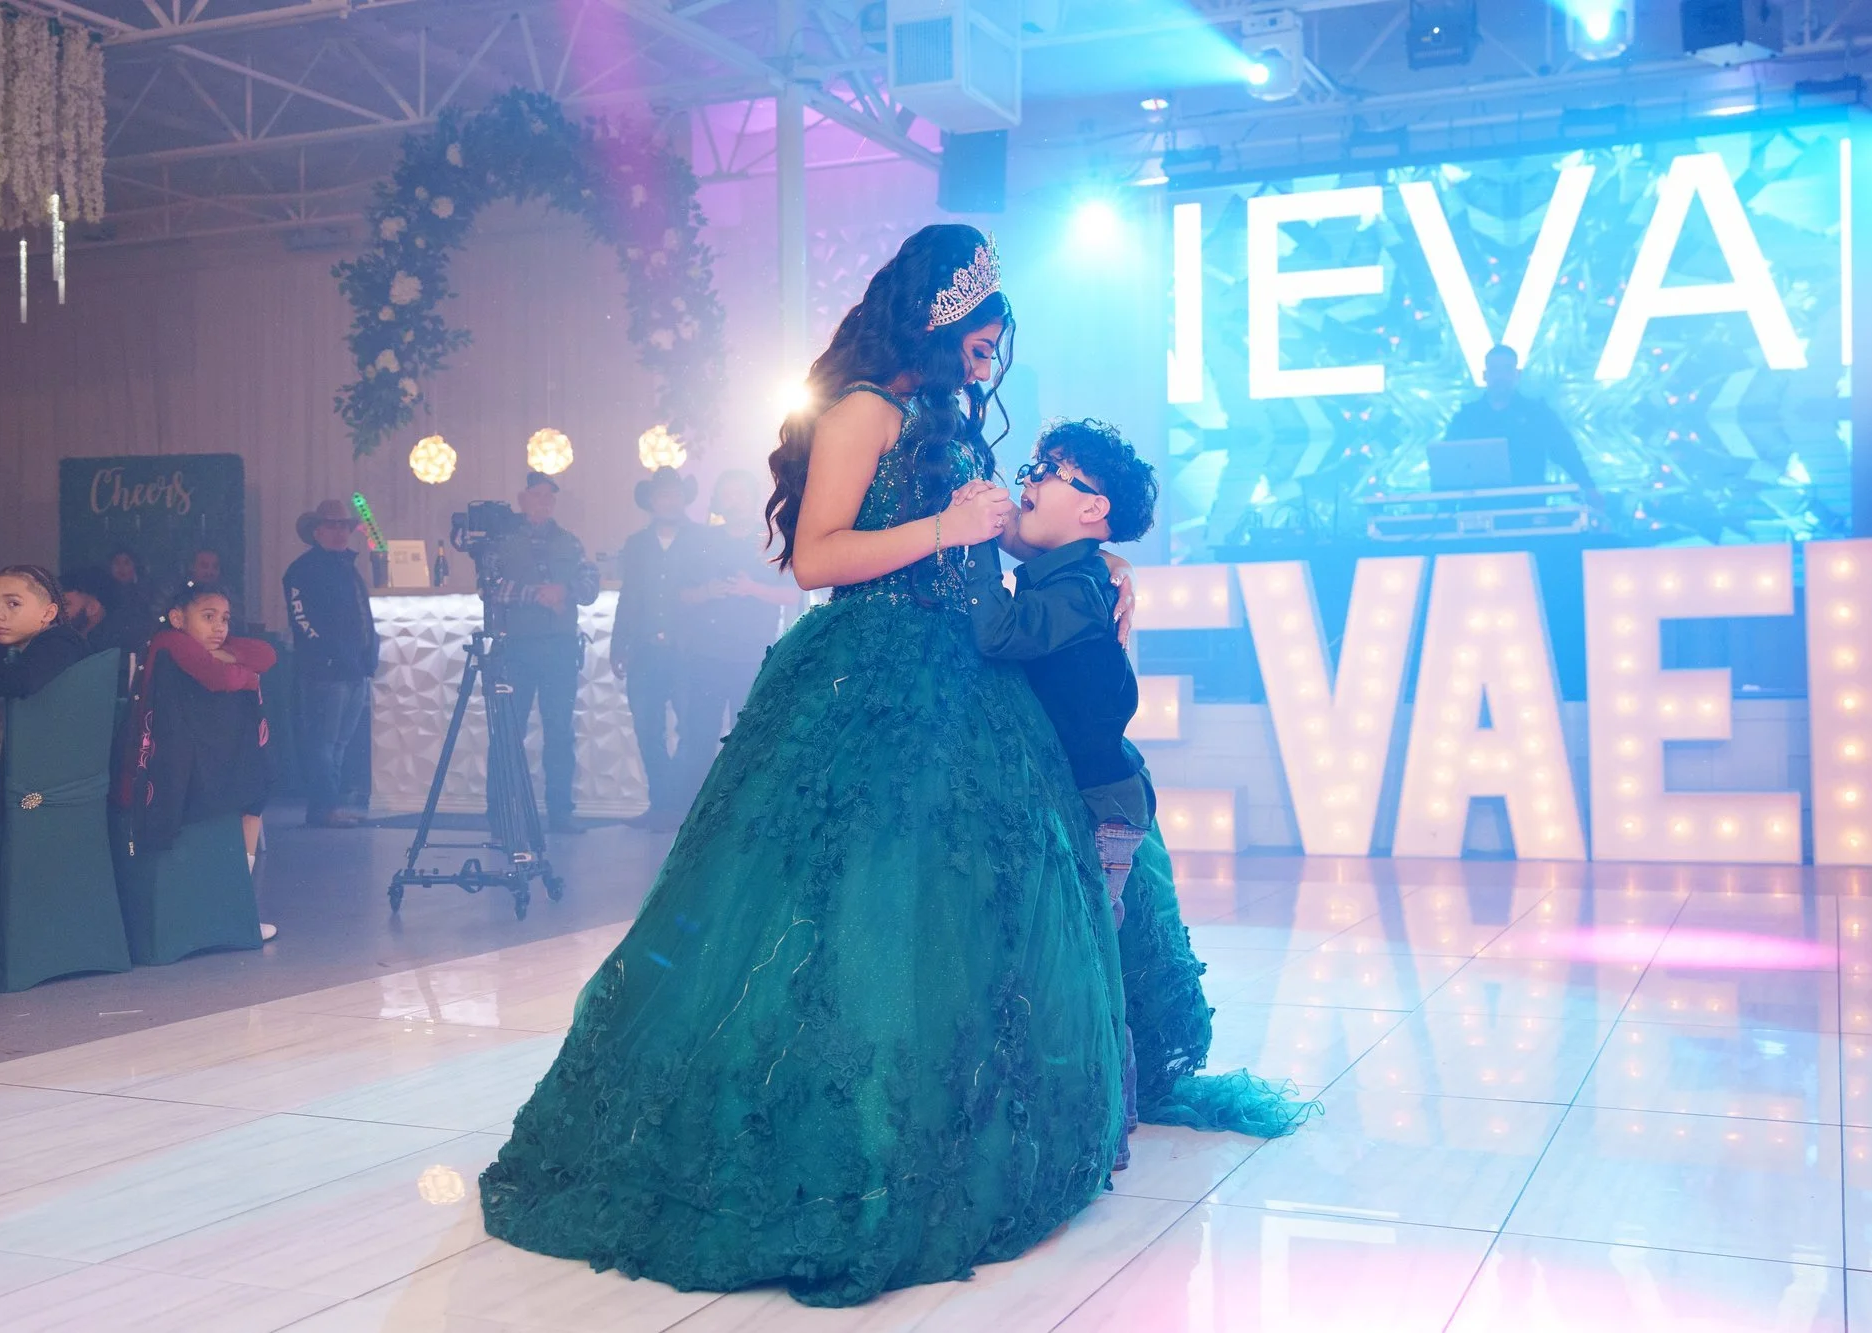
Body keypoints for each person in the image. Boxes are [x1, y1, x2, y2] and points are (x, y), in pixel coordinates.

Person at [479, 225, 1309, 1307]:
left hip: (974, 676)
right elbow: (815, 556)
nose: (991, 350)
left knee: (977, 905)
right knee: (853, 907)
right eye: (980, 329)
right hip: (870, 671)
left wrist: (1086, 560)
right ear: (936, 317)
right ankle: (837, 1121)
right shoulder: (862, 408)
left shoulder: (948, 417)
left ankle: (975, 1108)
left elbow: (993, 531)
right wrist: (939, 526)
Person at [962, 418, 1162, 1170]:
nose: (1031, 480)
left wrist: (974, 550)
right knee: (1078, 945)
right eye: (1035, 465)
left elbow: (1000, 634)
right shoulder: (1070, 571)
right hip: (1085, 791)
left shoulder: (1079, 587)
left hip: (1104, 804)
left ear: (1091, 509)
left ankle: (1109, 1113)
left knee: (1087, 952)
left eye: (1051, 472)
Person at [116, 581, 278, 942]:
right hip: (163, 767)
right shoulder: (170, 642)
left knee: (254, 788)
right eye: (208, 617)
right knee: (254, 783)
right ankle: (240, 910)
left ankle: (241, 906)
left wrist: (230, 654)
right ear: (177, 618)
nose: (219, 627)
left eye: (225, 618)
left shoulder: (211, 644)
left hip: (192, 760)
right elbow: (218, 677)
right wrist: (245, 673)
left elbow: (268, 655)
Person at [673, 470, 804, 802]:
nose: (735, 500)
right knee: (698, 738)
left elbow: (792, 596)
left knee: (748, 741)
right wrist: (707, 591)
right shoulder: (703, 542)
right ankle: (692, 814)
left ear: (752, 497)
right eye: (728, 494)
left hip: (753, 657)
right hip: (705, 656)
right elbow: (678, 597)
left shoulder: (772, 540)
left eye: (740, 493)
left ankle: (737, 817)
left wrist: (751, 588)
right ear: (719, 499)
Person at [487, 472, 601, 833]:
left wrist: (565, 590)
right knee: (508, 732)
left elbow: (590, 586)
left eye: (549, 498)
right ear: (523, 499)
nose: (544, 503)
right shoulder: (502, 542)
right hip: (516, 648)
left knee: (559, 733)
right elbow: (488, 587)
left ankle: (560, 813)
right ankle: (503, 813)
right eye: (537, 496)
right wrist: (537, 594)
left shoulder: (571, 542)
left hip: (560, 650)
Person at [0, 565, 90, 832]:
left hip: (24, 791)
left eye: (13, 604)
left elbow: (20, 679)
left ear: (49, 613)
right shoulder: (19, 649)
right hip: (6, 780)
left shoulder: (61, 642)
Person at [610, 466, 699, 827]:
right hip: (645, 651)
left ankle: (685, 807)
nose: (669, 500)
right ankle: (660, 805)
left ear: (683, 498)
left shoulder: (703, 539)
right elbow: (628, 597)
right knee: (648, 729)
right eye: (662, 494)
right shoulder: (636, 544)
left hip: (689, 652)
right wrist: (619, 646)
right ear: (651, 501)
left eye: (674, 493)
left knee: (693, 729)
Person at [282, 499, 377, 828]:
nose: (341, 532)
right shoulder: (303, 570)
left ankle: (327, 806)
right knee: (324, 744)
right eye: (334, 525)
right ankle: (325, 808)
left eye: (345, 526)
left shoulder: (345, 567)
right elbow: (303, 622)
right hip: (325, 672)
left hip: (352, 670)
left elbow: (362, 616)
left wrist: (367, 657)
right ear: (316, 530)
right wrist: (334, 655)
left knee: (336, 744)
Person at [1445, 343, 1600, 505]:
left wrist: (1588, 487)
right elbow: (1448, 464)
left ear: (1517, 374)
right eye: (1494, 370)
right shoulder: (1466, 418)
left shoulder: (1538, 414)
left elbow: (1566, 452)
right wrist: (1444, 508)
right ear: (1485, 375)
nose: (1500, 376)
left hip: (1529, 505)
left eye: (1507, 370)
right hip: (1479, 508)